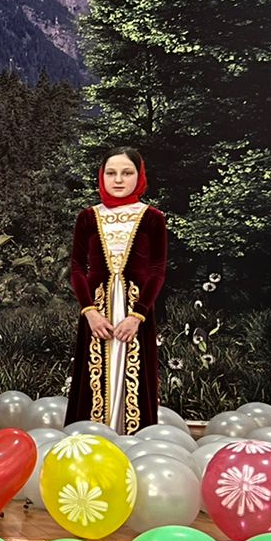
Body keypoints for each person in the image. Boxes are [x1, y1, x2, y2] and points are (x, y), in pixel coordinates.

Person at [65, 147, 168, 434]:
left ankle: (132, 439)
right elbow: (77, 268)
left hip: (136, 312)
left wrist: (137, 316)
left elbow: (157, 271)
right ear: (101, 176)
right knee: (93, 374)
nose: (118, 180)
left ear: (139, 176)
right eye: (111, 173)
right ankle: (92, 438)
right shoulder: (88, 217)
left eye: (127, 173)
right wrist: (90, 312)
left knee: (135, 374)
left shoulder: (152, 217)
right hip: (96, 312)